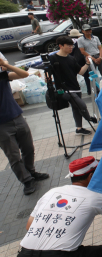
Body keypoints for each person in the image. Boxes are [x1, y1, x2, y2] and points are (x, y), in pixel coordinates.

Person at [0, 58, 49, 195]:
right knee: (14, 156)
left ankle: (31, 171)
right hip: (2, 126)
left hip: (17, 117)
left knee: (28, 148)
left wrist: (6, 65)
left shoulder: (2, 76)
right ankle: (26, 181)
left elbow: (24, 75)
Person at [49, 36, 97, 135]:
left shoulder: (71, 58)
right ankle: (90, 119)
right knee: (82, 105)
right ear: (61, 46)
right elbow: (47, 72)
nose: (71, 48)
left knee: (76, 108)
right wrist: (47, 77)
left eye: (72, 46)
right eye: (69, 46)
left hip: (75, 87)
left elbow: (80, 72)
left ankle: (79, 128)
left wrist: (87, 64)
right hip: (64, 89)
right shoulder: (53, 58)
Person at [69, 29, 92, 95]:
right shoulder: (81, 41)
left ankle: (75, 90)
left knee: (74, 76)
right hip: (82, 60)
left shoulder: (70, 43)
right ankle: (89, 90)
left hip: (72, 60)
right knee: (86, 75)